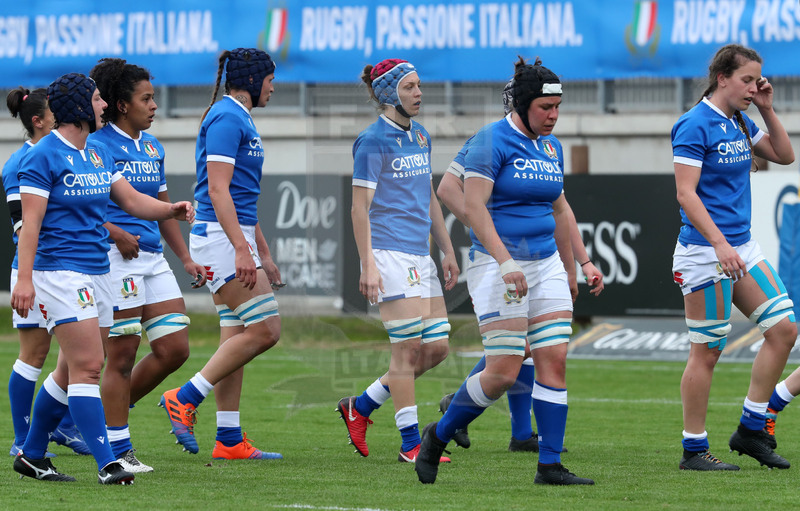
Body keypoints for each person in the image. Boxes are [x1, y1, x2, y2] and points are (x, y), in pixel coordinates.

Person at [415, 56, 594, 486]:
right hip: (498, 265)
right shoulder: (491, 140)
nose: (553, 116)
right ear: (523, 104)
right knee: (502, 373)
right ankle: (436, 436)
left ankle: (549, 465)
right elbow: (471, 204)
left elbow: (562, 208)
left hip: (546, 261)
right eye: (545, 109)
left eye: (557, 108)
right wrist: (505, 259)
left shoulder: (551, 147)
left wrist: (577, 265)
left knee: (554, 359)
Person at [11, 72, 195, 484]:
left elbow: (130, 200)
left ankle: (33, 454)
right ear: (79, 107)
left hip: (99, 272)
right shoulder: (42, 156)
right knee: (91, 366)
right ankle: (108, 461)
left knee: (66, 371)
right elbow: (31, 225)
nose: (103, 105)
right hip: (58, 272)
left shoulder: (96, 155)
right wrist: (23, 280)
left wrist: (172, 210)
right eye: (96, 99)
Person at [671, 44, 795, 471]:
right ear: (722, 78)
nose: (753, 87)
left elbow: (784, 155)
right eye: (746, 80)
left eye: (757, 80)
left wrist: (766, 108)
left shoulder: (741, 119)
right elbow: (685, 193)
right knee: (707, 351)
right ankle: (693, 450)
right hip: (705, 252)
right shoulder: (694, 124)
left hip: (740, 246)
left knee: (783, 330)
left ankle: (750, 427)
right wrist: (720, 245)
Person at [159, 48, 283, 461]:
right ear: (250, 80)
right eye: (268, 78)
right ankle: (185, 396)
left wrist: (260, 250)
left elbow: (243, 198)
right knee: (267, 329)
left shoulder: (237, 117)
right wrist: (241, 248)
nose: (272, 85)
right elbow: (217, 190)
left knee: (237, 334)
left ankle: (228, 439)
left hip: (231, 234)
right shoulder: (228, 117)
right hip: (218, 237)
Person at [335, 58, 459, 463]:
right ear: (389, 93)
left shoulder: (420, 136)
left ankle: (362, 407)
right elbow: (358, 209)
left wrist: (446, 248)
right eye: (410, 87)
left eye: (419, 85)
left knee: (436, 348)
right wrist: (367, 263)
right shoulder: (372, 141)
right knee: (406, 350)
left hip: (419, 256)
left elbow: (428, 197)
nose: (419, 93)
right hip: (387, 254)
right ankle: (411, 445)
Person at [88, 58, 207, 473]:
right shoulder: (98, 146)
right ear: (122, 105)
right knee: (120, 358)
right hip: (116, 261)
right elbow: (81, 208)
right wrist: (114, 232)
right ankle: (118, 447)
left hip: (153, 259)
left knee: (174, 348)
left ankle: (103, 417)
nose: (155, 105)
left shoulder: (152, 147)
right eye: (147, 98)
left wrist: (186, 257)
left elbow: (160, 209)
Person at [3, 87, 91, 458]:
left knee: (77, 357)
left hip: (68, 271)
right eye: (54, 112)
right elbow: (23, 226)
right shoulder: (21, 162)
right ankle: (22, 439)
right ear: (38, 120)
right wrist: (28, 277)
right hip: (38, 272)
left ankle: (65, 427)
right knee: (34, 355)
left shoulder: (69, 152)